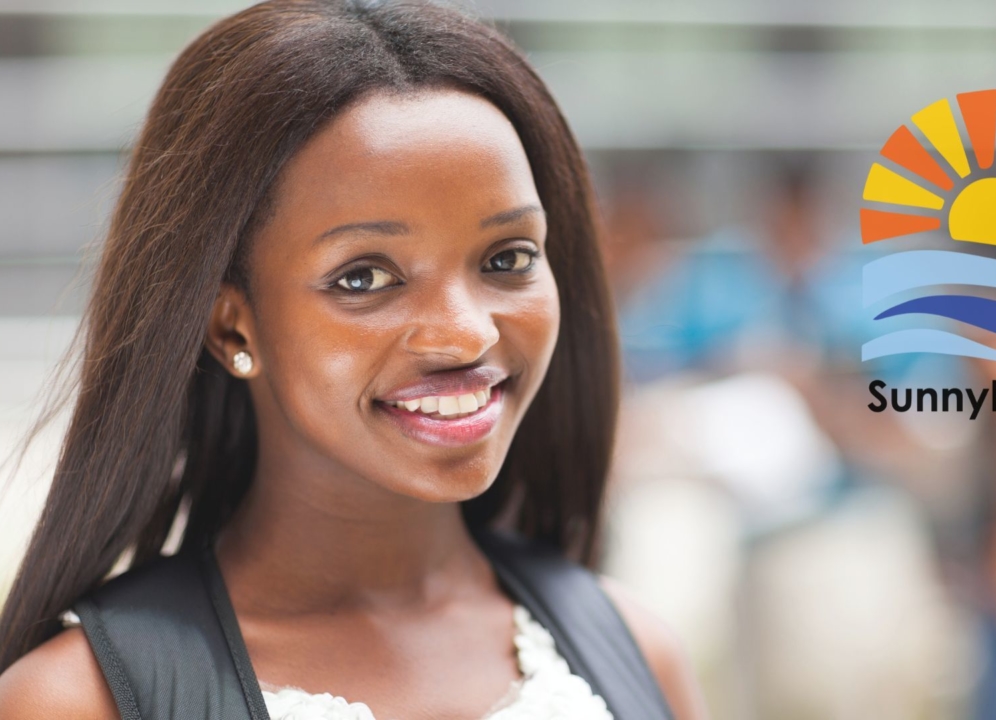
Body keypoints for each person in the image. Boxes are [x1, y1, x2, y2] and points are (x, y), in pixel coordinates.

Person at [0, 2, 707, 719]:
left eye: (507, 258)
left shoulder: (635, 654)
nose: (465, 336)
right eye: (364, 277)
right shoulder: (76, 700)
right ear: (231, 326)